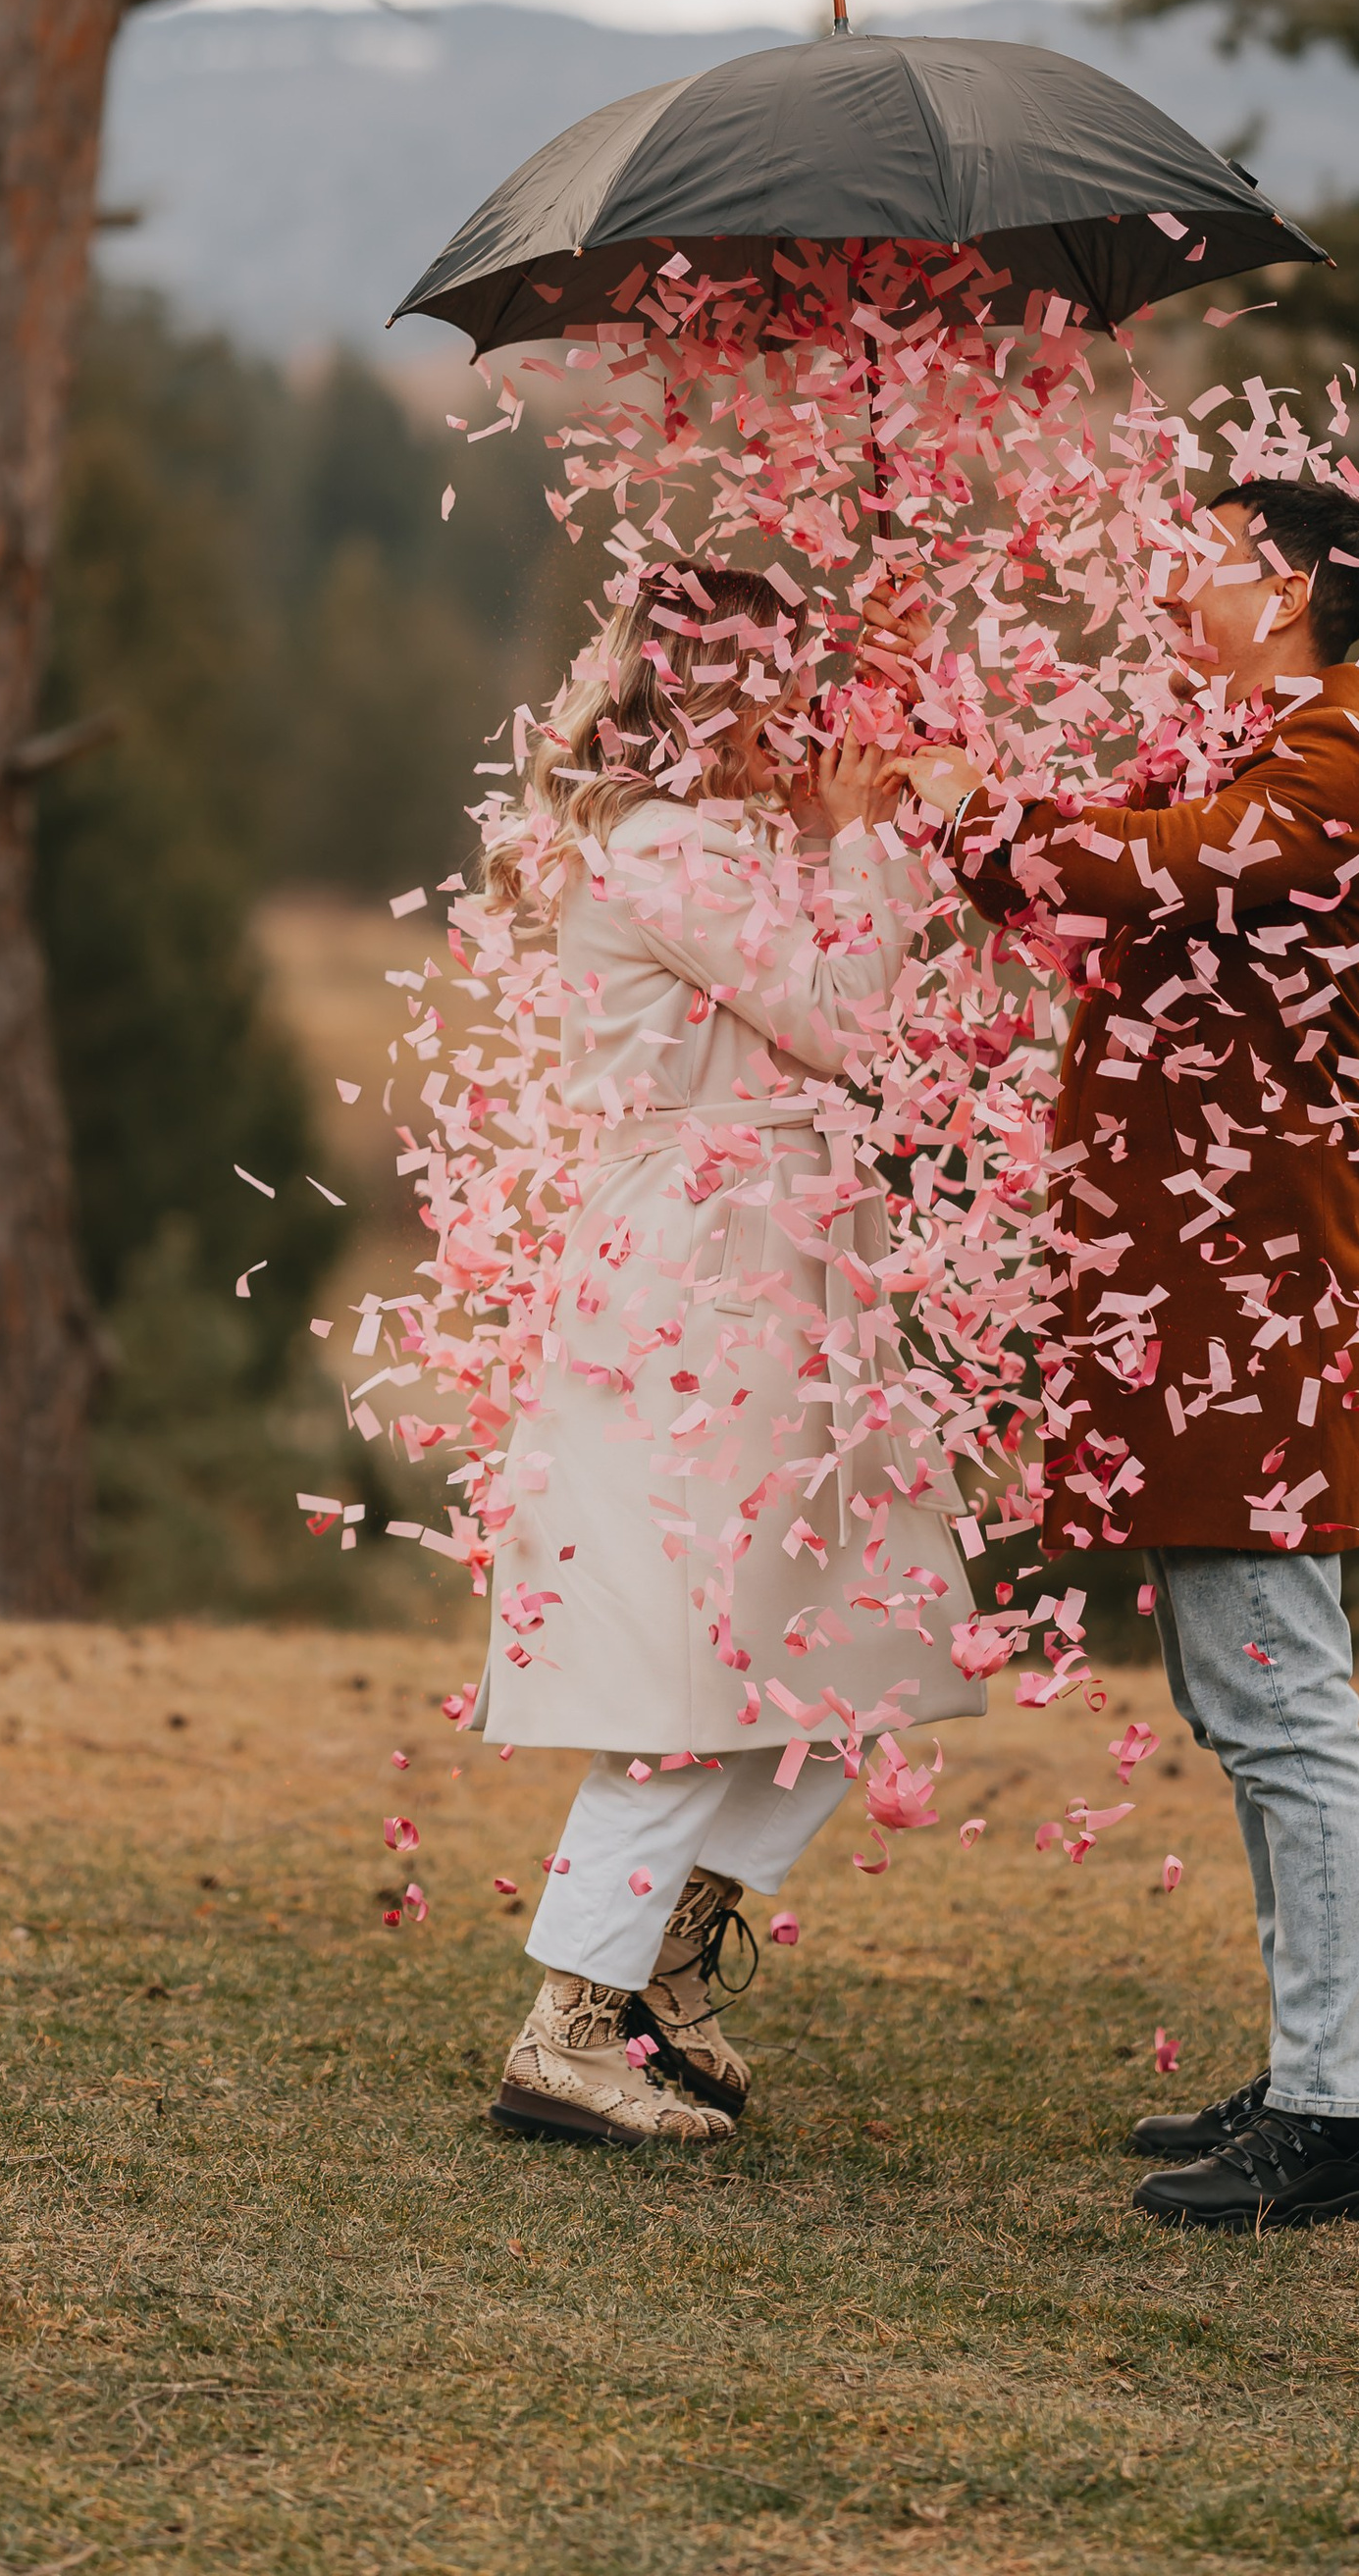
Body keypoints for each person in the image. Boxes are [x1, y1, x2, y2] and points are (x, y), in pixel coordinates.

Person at [915, 475, 1359, 2231]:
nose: (1177, 582)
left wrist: (970, 806)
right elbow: (1095, 904)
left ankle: (1332, 2113)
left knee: (1286, 1709)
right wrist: (977, 825)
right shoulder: (1253, 762)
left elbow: (1134, 874)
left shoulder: (1328, 782)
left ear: (1285, 588)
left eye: (1205, 556)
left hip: (1250, 1306)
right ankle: (1309, 2064)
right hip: (1203, 1303)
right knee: (1242, 1699)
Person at [474, 562, 984, 2149]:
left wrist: (848, 837)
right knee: (707, 1658)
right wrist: (881, 842)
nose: (807, 722)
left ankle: (665, 1962)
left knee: (856, 1645)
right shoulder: (662, 850)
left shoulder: (732, 845)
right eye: (779, 690)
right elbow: (844, 1016)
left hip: (780, 1253)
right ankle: (564, 2025)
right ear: (714, 701)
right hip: (704, 1273)